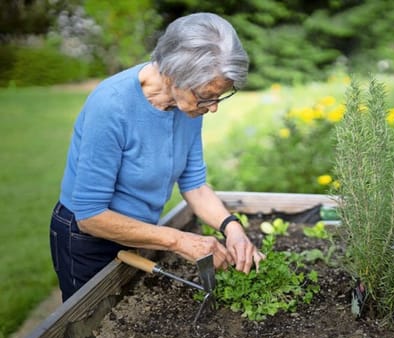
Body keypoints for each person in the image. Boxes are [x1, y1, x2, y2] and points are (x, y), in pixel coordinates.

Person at [49, 12, 265, 302]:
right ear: (173, 75)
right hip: (88, 240)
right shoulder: (112, 107)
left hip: (142, 231)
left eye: (219, 96)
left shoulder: (187, 105)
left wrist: (233, 228)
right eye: (206, 97)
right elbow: (90, 216)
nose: (213, 108)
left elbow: (195, 185)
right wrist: (178, 240)